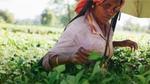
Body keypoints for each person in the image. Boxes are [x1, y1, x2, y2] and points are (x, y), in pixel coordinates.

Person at [41, 0, 138, 71]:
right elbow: (47, 59)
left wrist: (120, 43)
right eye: (106, 6)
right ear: (93, 4)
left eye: (115, 9)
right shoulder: (78, 27)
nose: (111, 12)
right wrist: (70, 58)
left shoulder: (107, 26)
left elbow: (96, 44)